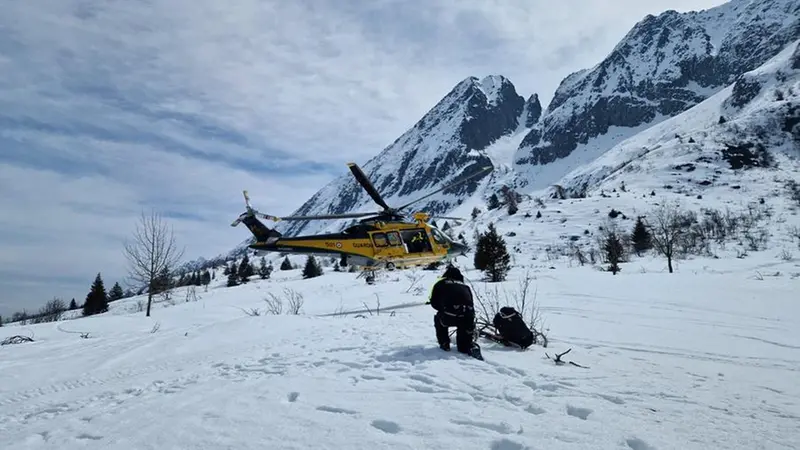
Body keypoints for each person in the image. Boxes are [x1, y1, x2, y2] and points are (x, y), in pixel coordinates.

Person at [427, 266, 482, 360]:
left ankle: (444, 343)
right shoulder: (465, 286)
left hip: (449, 316)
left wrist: (443, 308)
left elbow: (434, 303)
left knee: (438, 319)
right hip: (467, 317)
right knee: (464, 326)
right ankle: (464, 346)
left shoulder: (440, 284)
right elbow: (471, 303)